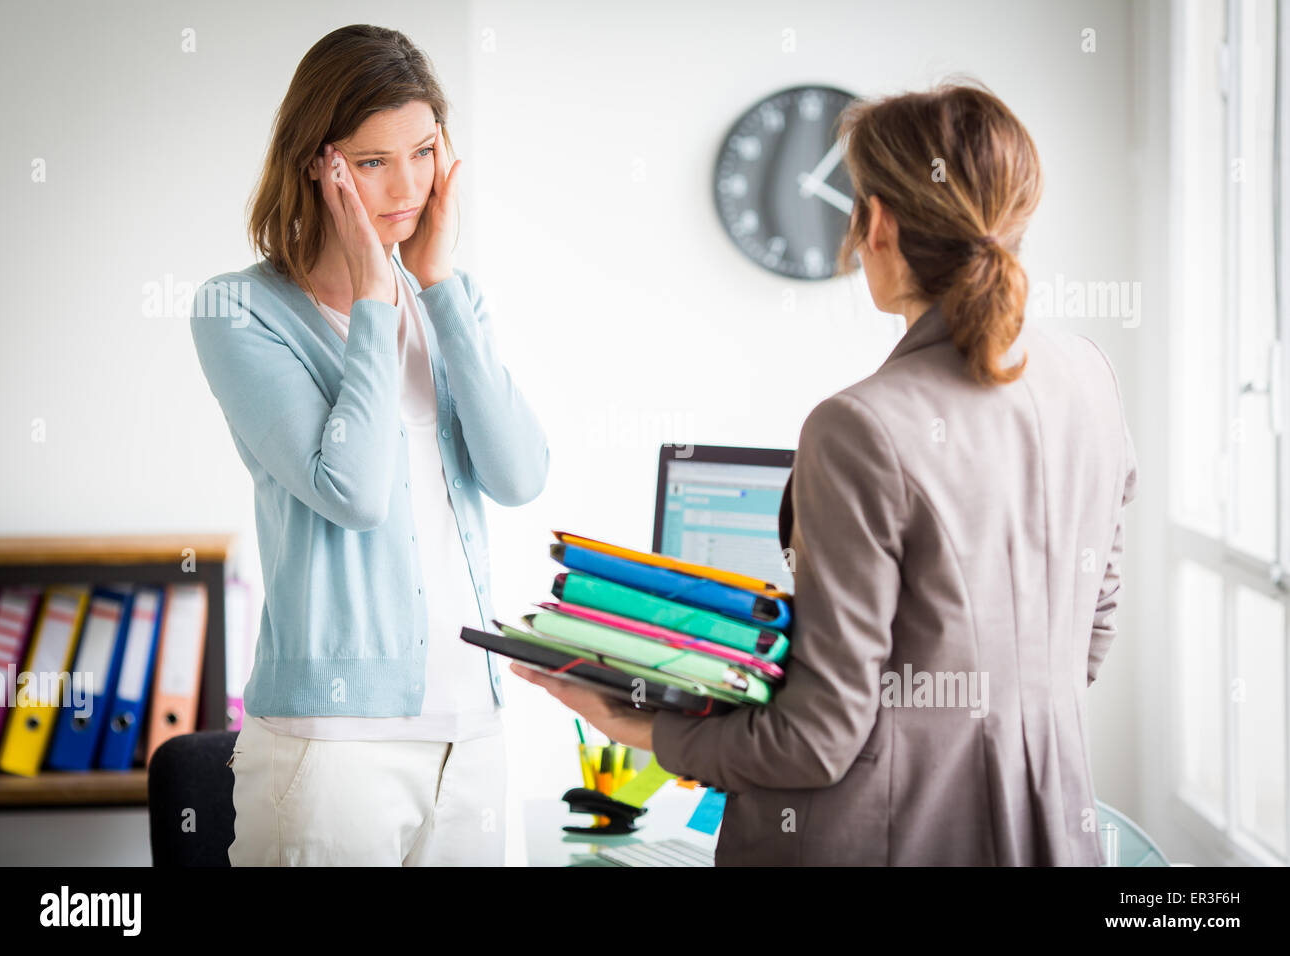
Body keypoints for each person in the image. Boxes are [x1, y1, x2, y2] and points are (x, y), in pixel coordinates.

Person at [514, 80, 1138, 866]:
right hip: (1053, 832)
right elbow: (1090, 637)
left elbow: (817, 740)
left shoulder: (860, 428)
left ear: (875, 221)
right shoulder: (1090, 377)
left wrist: (638, 724)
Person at [190, 24, 548, 865]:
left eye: (423, 151)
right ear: (318, 163)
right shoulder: (237, 310)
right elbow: (350, 490)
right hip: (334, 745)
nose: (408, 185)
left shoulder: (447, 298)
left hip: (477, 732)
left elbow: (520, 473)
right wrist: (375, 300)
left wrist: (438, 288)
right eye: (374, 160)